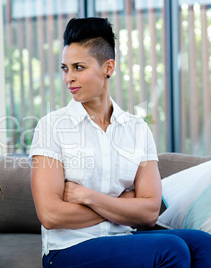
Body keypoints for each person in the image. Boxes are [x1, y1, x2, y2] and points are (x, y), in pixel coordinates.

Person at [29, 17, 211, 268]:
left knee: (203, 243)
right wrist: (123, 205)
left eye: (78, 67)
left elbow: (148, 214)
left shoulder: (137, 129)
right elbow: (50, 215)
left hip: (124, 238)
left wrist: (87, 196)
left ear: (108, 67)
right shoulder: (52, 127)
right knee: (171, 249)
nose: (68, 78)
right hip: (68, 250)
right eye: (65, 68)